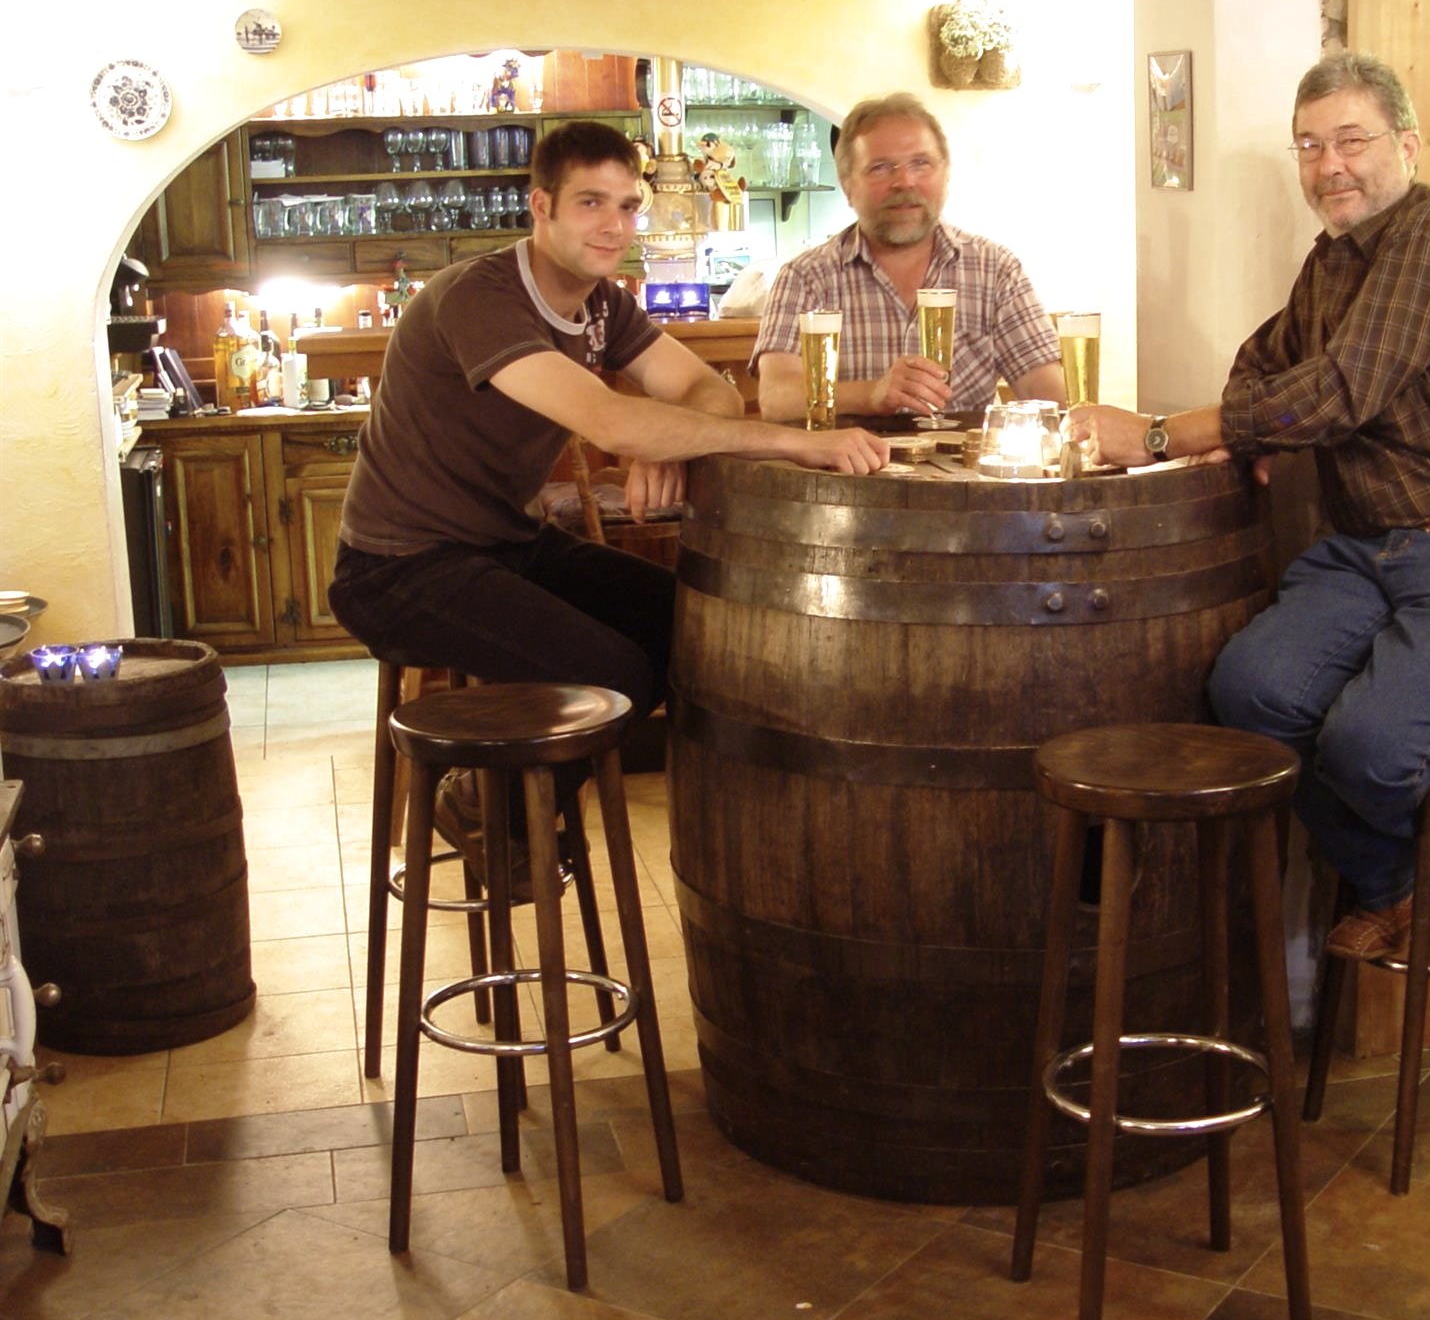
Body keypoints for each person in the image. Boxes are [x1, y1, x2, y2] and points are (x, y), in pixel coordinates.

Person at [1069, 51, 1430, 966]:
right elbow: (1265, 363)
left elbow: (1342, 390)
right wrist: (1255, 431)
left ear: (1408, 145)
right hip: (1371, 550)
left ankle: (1414, 829)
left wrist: (1157, 435)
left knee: (1369, 742)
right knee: (1250, 693)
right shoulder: (1331, 265)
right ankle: (1409, 864)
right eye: (1309, 147)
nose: (1329, 166)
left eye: (1351, 141)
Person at [330, 119, 888, 842]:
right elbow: (609, 421)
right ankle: (486, 813)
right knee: (612, 671)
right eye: (590, 202)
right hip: (395, 568)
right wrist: (794, 443)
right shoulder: (480, 296)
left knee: (694, 625)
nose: (613, 225)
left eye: (627, 206)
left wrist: (665, 443)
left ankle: (523, 807)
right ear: (541, 207)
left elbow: (709, 390)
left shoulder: (603, 304)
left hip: (506, 545)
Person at [751, 92, 1066, 423]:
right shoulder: (805, 277)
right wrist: (870, 395)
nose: (904, 181)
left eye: (921, 163)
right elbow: (776, 398)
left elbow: (1051, 396)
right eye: (880, 168)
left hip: (963, 457)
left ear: (946, 175)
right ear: (847, 186)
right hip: (848, 457)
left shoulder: (995, 269)